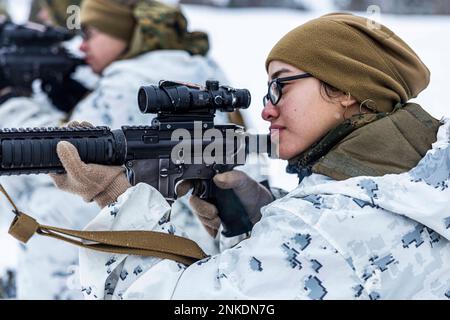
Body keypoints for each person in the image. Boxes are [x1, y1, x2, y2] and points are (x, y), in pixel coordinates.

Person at [47, 12, 450, 300]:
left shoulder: (325, 225)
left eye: (281, 86)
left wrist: (118, 198)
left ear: (346, 89)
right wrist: (257, 224)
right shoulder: (424, 178)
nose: (266, 109)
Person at [0, 0, 240, 299]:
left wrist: (10, 101)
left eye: (90, 34)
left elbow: (67, 153)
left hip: (170, 249)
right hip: (193, 239)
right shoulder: (186, 63)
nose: (82, 46)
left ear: (123, 32)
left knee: (53, 201)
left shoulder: (130, 79)